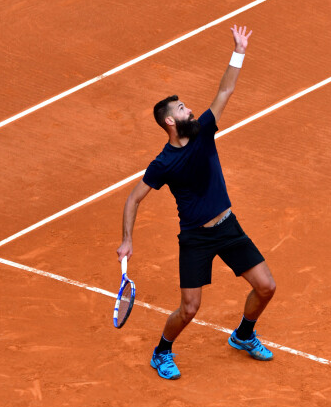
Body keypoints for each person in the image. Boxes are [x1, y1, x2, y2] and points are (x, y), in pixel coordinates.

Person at [116, 25, 276, 380]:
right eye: (183, 108)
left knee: (266, 287)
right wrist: (127, 239)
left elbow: (226, 89)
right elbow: (133, 199)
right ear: (171, 121)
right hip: (195, 239)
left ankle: (244, 335)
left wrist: (239, 51)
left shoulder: (204, 132)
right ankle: (162, 351)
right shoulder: (163, 164)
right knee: (189, 308)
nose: (191, 110)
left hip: (228, 226)